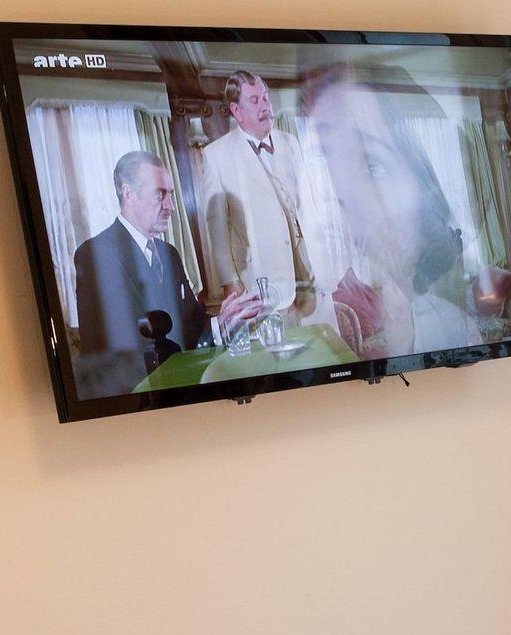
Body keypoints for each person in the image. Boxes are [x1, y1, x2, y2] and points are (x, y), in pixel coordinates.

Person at [301, 62, 481, 361]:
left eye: (371, 165)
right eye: (323, 156)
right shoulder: (302, 333)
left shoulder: (457, 333)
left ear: (425, 196)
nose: (335, 192)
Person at [71, 151, 260, 397]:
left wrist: (221, 323)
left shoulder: (168, 253)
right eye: (160, 194)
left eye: (171, 194)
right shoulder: (95, 254)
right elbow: (116, 346)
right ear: (129, 194)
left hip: (178, 388)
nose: (170, 206)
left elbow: (190, 324)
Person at [196, 69, 314, 315]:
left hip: (306, 274)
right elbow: (216, 229)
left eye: (266, 98)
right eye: (255, 100)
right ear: (237, 111)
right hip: (259, 281)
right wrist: (231, 282)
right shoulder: (216, 155)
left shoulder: (291, 143)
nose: (265, 106)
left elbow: (307, 205)